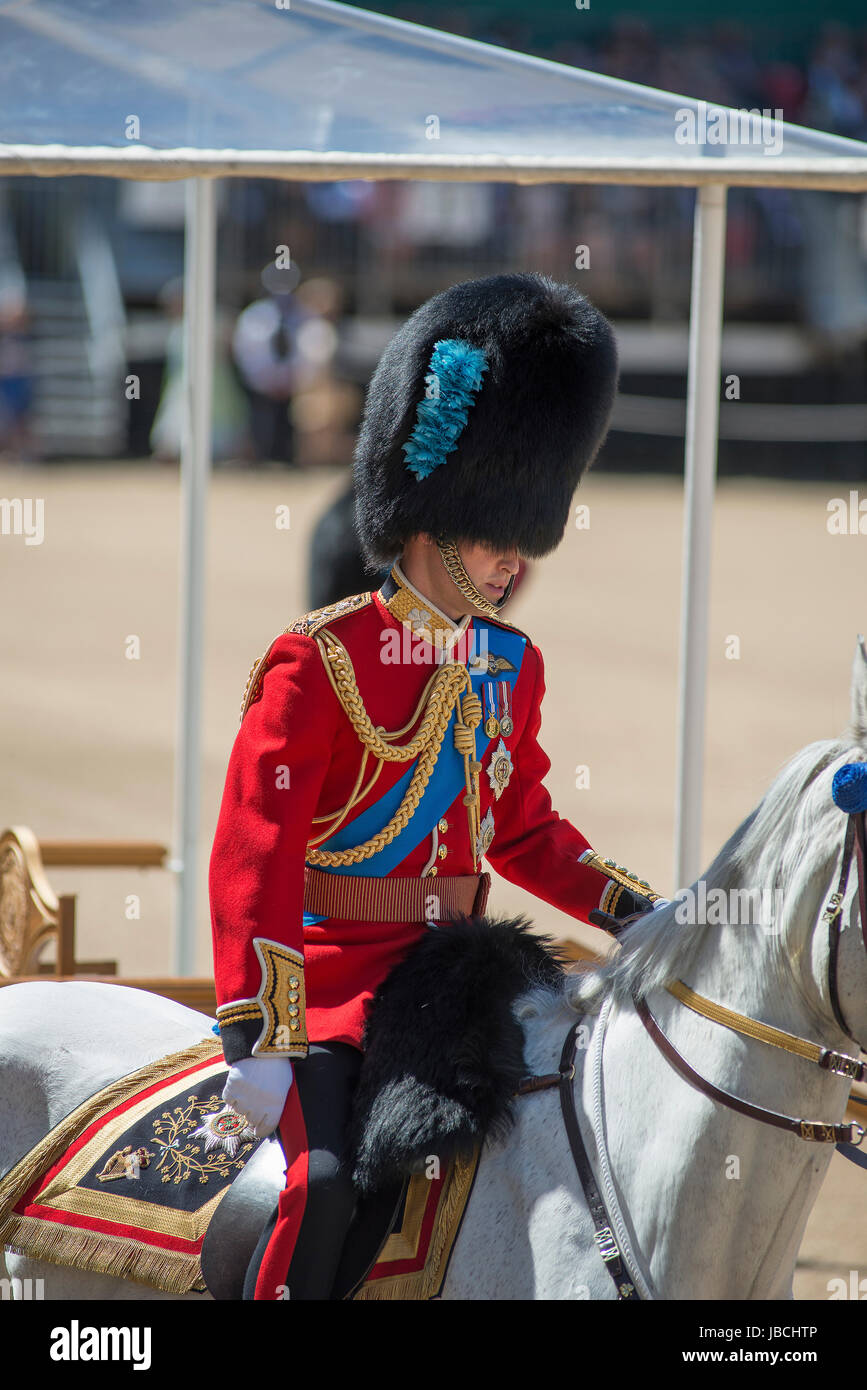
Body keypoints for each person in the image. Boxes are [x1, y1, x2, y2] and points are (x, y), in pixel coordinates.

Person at [208, 272, 667, 1302]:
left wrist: (638, 911)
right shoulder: (315, 658)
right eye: (498, 539)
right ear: (431, 515)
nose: (514, 565)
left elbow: (523, 830)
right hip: (326, 991)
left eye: (524, 542)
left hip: (453, 979)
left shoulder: (511, 664)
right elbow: (258, 856)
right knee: (322, 1185)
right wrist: (255, 1031)